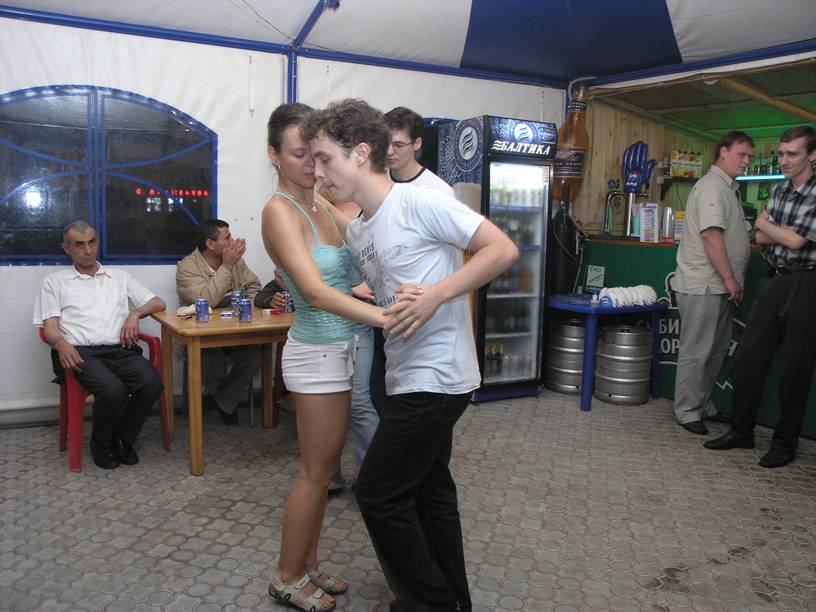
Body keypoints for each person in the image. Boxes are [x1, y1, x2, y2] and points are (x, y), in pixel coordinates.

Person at [305, 99, 518, 612]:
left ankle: (430, 602)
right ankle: (454, 600)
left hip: (438, 376)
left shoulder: (420, 200)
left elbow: (502, 249)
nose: (318, 172)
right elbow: (382, 283)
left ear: (360, 153)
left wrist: (437, 294)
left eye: (325, 159)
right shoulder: (360, 229)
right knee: (430, 492)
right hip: (403, 374)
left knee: (378, 492)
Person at [261, 102, 388, 612]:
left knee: (327, 466)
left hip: (341, 350)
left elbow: (362, 249)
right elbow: (314, 292)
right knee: (315, 474)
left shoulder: (320, 203)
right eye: (298, 155)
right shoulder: (279, 211)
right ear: (273, 155)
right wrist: (384, 318)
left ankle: (308, 563)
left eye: (315, 156)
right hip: (315, 353)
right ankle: (286, 575)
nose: (311, 166)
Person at [705, 126, 816, 468]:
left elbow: (797, 242)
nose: (784, 160)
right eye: (781, 153)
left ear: (812, 155)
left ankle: (784, 444)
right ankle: (742, 432)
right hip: (773, 278)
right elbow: (761, 236)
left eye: (792, 154)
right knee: (749, 358)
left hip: (806, 282)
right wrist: (773, 230)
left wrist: (769, 227)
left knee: (795, 370)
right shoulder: (780, 188)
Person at [33, 221, 166, 469]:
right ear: (66, 248)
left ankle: (122, 438)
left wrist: (135, 314)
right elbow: (50, 328)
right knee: (113, 390)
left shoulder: (119, 277)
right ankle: (101, 444)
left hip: (121, 351)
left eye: (92, 242)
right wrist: (61, 343)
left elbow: (158, 303)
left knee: (152, 384)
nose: (88, 250)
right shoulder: (55, 282)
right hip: (81, 354)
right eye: (79, 245)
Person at [672, 131, 753, 435]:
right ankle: (687, 410)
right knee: (697, 351)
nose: (746, 161)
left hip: (718, 286)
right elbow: (710, 235)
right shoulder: (712, 187)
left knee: (716, 350)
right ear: (723, 151)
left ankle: (702, 404)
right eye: (741, 154)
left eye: (749, 156)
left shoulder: (728, 188)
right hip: (704, 284)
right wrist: (731, 278)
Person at [176, 219, 263, 425]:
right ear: (210, 244)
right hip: (203, 337)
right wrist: (227, 266)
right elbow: (205, 300)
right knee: (209, 358)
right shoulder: (187, 267)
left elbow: (254, 286)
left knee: (254, 356)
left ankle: (221, 400)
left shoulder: (236, 262)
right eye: (227, 238)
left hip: (234, 332)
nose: (232, 241)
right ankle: (224, 401)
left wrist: (246, 307)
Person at [384, 106, 454, 196]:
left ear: (417, 143)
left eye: (399, 145)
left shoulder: (440, 191)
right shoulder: (374, 180)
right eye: (384, 142)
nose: (389, 152)